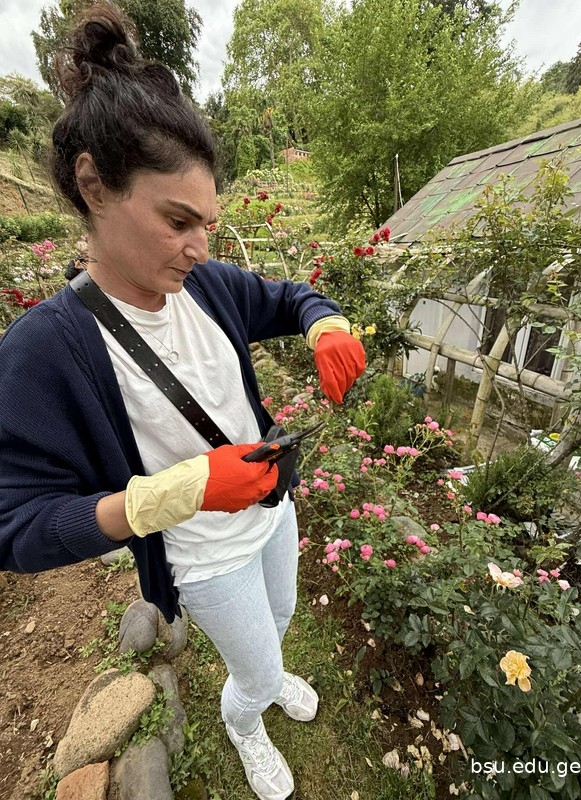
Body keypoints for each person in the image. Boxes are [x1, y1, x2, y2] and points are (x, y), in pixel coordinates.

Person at [0, 4, 365, 800]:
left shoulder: (205, 286)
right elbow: (16, 526)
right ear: (94, 185)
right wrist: (178, 492)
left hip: (272, 506)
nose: (200, 247)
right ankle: (247, 718)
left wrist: (326, 324)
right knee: (255, 665)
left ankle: (264, 679)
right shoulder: (45, 350)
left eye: (207, 223)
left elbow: (289, 296)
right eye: (177, 221)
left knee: (282, 615)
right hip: (203, 551)